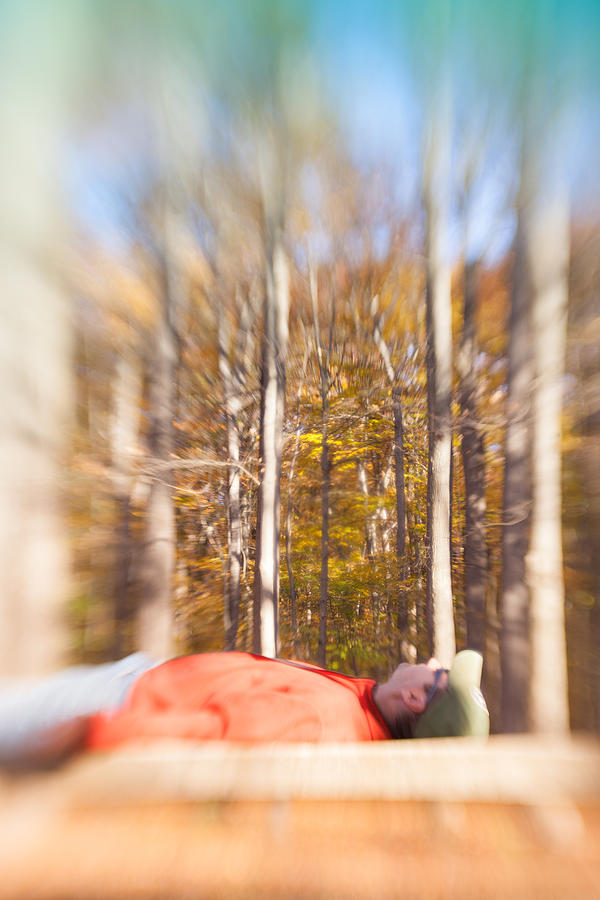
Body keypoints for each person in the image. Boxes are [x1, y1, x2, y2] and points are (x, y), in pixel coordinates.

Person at [0, 649, 489, 769]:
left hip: (114, 702)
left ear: (415, 698)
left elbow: (210, 732)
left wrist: (92, 732)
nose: (431, 661)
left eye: (439, 673)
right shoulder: (358, 705)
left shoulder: (322, 721)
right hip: (140, 683)